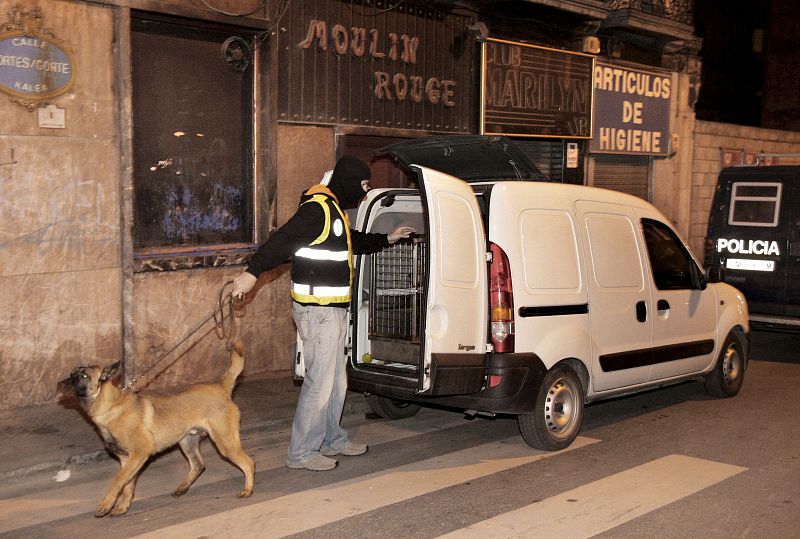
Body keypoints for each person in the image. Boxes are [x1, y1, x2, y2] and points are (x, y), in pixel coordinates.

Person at [232, 155, 414, 471]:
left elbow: (351, 241)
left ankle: (332, 439)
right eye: (363, 185)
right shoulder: (317, 208)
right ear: (348, 180)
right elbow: (283, 239)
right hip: (318, 312)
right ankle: (302, 452)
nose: (364, 192)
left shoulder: (333, 210)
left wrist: (387, 239)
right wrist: (252, 273)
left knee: (336, 382)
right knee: (320, 383)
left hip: (333, 311)